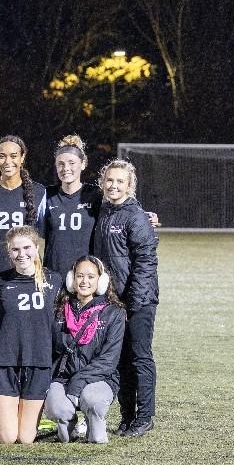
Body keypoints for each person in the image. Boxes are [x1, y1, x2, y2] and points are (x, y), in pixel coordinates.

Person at [93, 159, 159, 438]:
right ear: (102, 183)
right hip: (113, 302)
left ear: (130, 186)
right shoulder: (104, 212)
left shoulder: (135, 216)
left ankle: (145, 417)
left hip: (137, 302)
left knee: (139, 357)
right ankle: (127, 416)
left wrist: (134, 303)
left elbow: (146, 261)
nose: (114, 185)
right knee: (119, 360)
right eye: (109, 180)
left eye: (120, 181)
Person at [0, 226, 62, 444]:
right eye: (15, 250)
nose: (22, 254)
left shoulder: (55, 280)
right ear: (8, 252)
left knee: (26, 438)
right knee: (8, 438)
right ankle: (0, 419)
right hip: (5, 362)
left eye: (27, 248)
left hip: (39, 361)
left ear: (37, 247)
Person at [45, 255, 126, 444]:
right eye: (80, 276)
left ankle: (94, 422)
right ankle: (69, 424)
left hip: (100, 378)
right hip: (63, 376)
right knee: (58, 412)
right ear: (71, 279)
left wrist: (79, 381)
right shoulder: (58, 309)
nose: (84, 281)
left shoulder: (114, 312)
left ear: (101, 280)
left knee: (92, 401)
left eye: (91, 276)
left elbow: (109, 360)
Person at [0, 135, 47, 275]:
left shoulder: (38, 191)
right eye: (2, 156)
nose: (7, 161)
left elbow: (47, 234)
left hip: (29, 271)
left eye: (13, 156)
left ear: (22, 158)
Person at [44, 135, 104, 275]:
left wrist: (142, 216)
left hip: (85, 276)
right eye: (61, 163)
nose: (66, 168)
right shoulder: (46, 195)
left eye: (72, 163)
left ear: (83, 164)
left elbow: (120, 206)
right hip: (53, 274)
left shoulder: (96, 195)